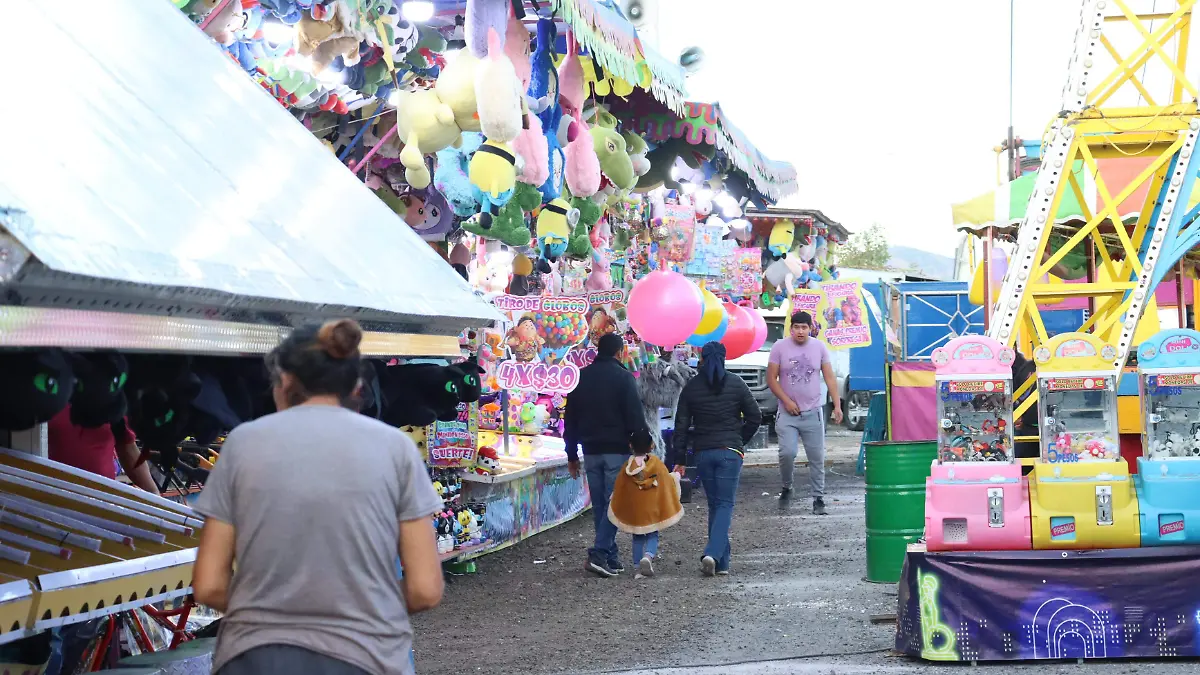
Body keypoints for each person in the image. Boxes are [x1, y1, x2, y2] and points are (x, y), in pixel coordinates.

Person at [192, 319, 444, 675]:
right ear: (357, 386)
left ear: (286, 382)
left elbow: (208, 585)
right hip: (366, 657)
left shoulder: (244, 444)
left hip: (254, 658)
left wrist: (271, 607)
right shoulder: (396, 449)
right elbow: (424, 590)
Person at [670, 342, 761, 577]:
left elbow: (680, 426)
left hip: (703, 453)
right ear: (724, 358)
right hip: (730, 452)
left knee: (715, 504)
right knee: (724, 504)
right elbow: (755, 417)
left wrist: (679, 458)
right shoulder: (736, 383)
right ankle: (712, 553)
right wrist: (740, 440)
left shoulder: (691, 387)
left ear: (701, 358)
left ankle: (721, 563)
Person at [564, 332, 647, 578]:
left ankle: (610, 556)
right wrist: (641, 452)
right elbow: (636, 419)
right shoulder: (624, 378)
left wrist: (571, 454)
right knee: (616, 504)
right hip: (616, 450)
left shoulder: (581, 378)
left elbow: (570, 420)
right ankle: (600, 553)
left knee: (601, 504)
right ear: (620, 352)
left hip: (590, 451)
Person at [767, 310, 842, 515]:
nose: (800, 331)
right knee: (787, 453)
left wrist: (837, 405)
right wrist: (786, 401)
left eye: (804, 327)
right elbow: (771, 379)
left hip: (813, 411)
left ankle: (818, 498)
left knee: (816, 457)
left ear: (811, 329)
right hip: (787, 413)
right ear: (791, 328)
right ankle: (787, 487)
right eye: (797, 327)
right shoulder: (779, 347)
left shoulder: (819, 347)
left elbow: (830, 378)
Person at [607, 429, 684, 580]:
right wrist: (676, 476)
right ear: (652, 446)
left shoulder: (627, 468)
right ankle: (648, 557)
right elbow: (667, 483)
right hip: (653, 509)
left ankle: (637, 568)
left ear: (630, 445)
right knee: (653, 534)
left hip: (636, 511)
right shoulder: (657, 464)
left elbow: (620, 488)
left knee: (637, 537)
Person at [48, 406, 160, 495]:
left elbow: (127, 448)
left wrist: (153, 494)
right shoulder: (47, 391)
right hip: (50, 499)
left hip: (102, 502)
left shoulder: (113, 397)